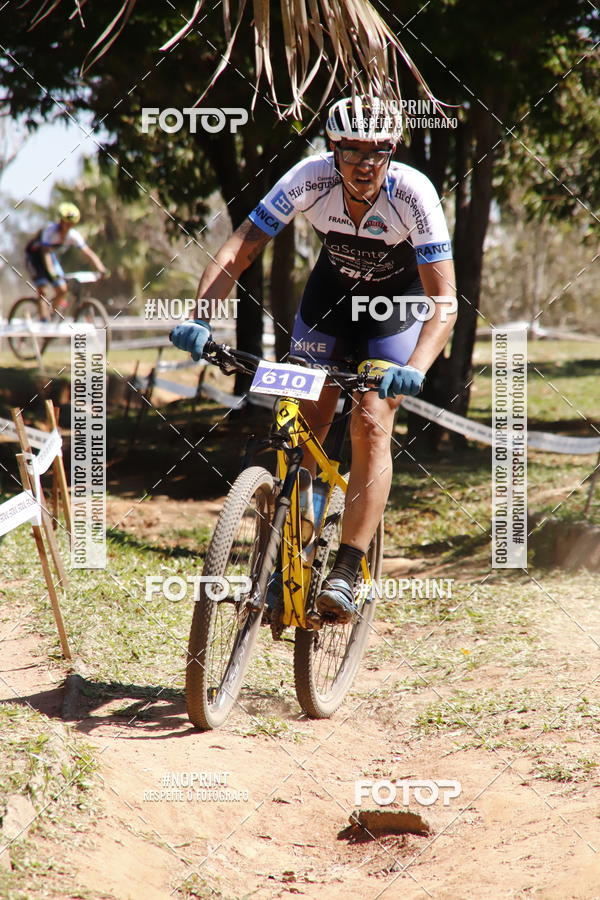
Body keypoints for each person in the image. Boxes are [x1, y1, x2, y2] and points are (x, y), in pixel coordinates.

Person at [171, 95, 457, 624]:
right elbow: (239, 249)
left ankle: (347, 568)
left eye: (378, 152)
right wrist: (201, 317)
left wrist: (415, 367)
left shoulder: (413, 193)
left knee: (372, 421)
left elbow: (444, 300)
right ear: (333, 149)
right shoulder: (309, 177)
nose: (365, 164)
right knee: (304, 420)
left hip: (395, 310)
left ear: (392, 152)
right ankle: (291, 550)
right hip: (330, 301)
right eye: (352, 151)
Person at [24, 202, 107, 319]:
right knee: (42, 289)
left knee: (62, 290)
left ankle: (51, 315)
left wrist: (101, 268)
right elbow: (45, 253)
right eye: (66, 223)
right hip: (35, 258)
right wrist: (52, 273)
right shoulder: (49, 231)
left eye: (71, 224)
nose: (68, 226)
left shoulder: (73, 235)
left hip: (50, 257)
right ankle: (43, 320)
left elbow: (88, 253)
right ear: (61, 221)